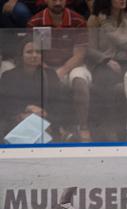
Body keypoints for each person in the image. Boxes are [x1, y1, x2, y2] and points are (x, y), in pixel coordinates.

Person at [27, 0, 92, 141]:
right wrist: (50, 72)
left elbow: (80, 54)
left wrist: (62, 71)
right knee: (47, 82)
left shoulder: (78, 21)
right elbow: (37, 53)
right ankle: (56, 128)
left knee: (79, 81)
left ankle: (83, 127)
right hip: (45, 66)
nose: (57, 2)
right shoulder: (37, 21)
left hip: (73, 65)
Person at [87, 0, 127, 140]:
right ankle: (109, 128)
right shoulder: (96, 19)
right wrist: (106, 60)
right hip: (104, 63)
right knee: (110, 85)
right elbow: (90, 49)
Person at [0, 38, 65, 139]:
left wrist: (44, 118)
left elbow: (58, 104)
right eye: (29, 52)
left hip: (47, 124)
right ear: (21, 55)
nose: (34, 55)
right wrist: (26, 109)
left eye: (38, 52)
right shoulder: (8, 76)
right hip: (16, 125)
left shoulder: (50, 75)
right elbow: (5, 105)